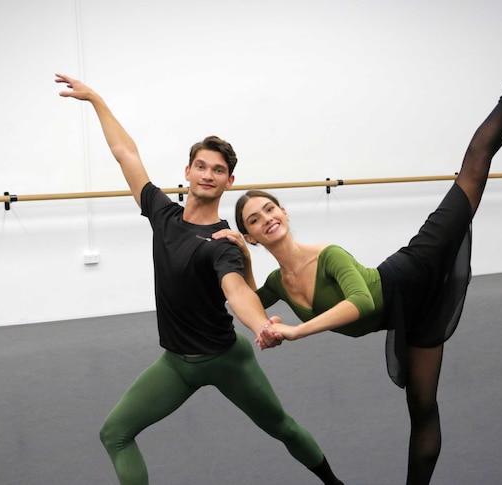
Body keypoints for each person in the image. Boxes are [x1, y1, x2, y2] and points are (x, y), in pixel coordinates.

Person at [214, 20, 502, 485]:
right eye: (253, 220)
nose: (265, 218)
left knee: (473, 166)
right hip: (412, 314)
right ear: (252, 235)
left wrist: (298, 332)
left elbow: (364, 304)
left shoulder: (328, 255)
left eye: (270, 208)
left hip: (415, 268)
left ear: (285, 213)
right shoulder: (278, 283)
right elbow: (248, 302)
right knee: (421, 406)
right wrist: (239, 258)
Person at [55, 75, 344, 485]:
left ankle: (334, 482)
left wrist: (261, 326)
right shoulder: (162, 213)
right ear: (188, 171)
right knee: (115, 434)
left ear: (229, 182)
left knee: (283, 427)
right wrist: (96, 100)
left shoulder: (222, 242)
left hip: (227, 360)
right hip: (176, 363)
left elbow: (236, 290)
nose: (208, 175)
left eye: (219, 170)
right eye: (202, 166)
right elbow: (126, 154)